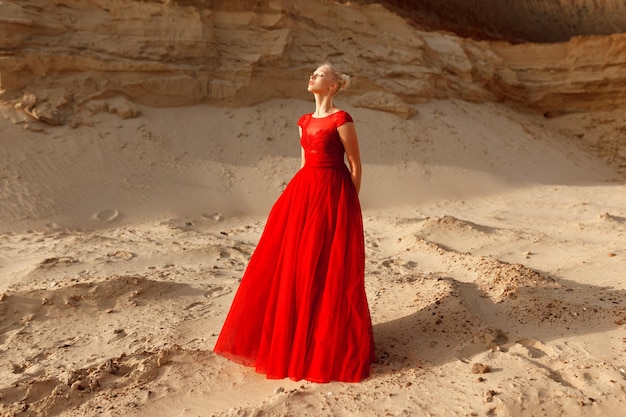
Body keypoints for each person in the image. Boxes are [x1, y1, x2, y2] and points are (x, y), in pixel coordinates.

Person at [213, 63, 375, 383]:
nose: (313, 76)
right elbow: (303, 164)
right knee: (296, 264)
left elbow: (355, 166)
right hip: (303, 195)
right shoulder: (302, 122)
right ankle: (294, 342)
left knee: (328, 267)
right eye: (313, 73)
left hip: (334, 195)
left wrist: (349, 206)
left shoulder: (342, 120)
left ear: (333, 85)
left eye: (321, 74)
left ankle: (325, 345)